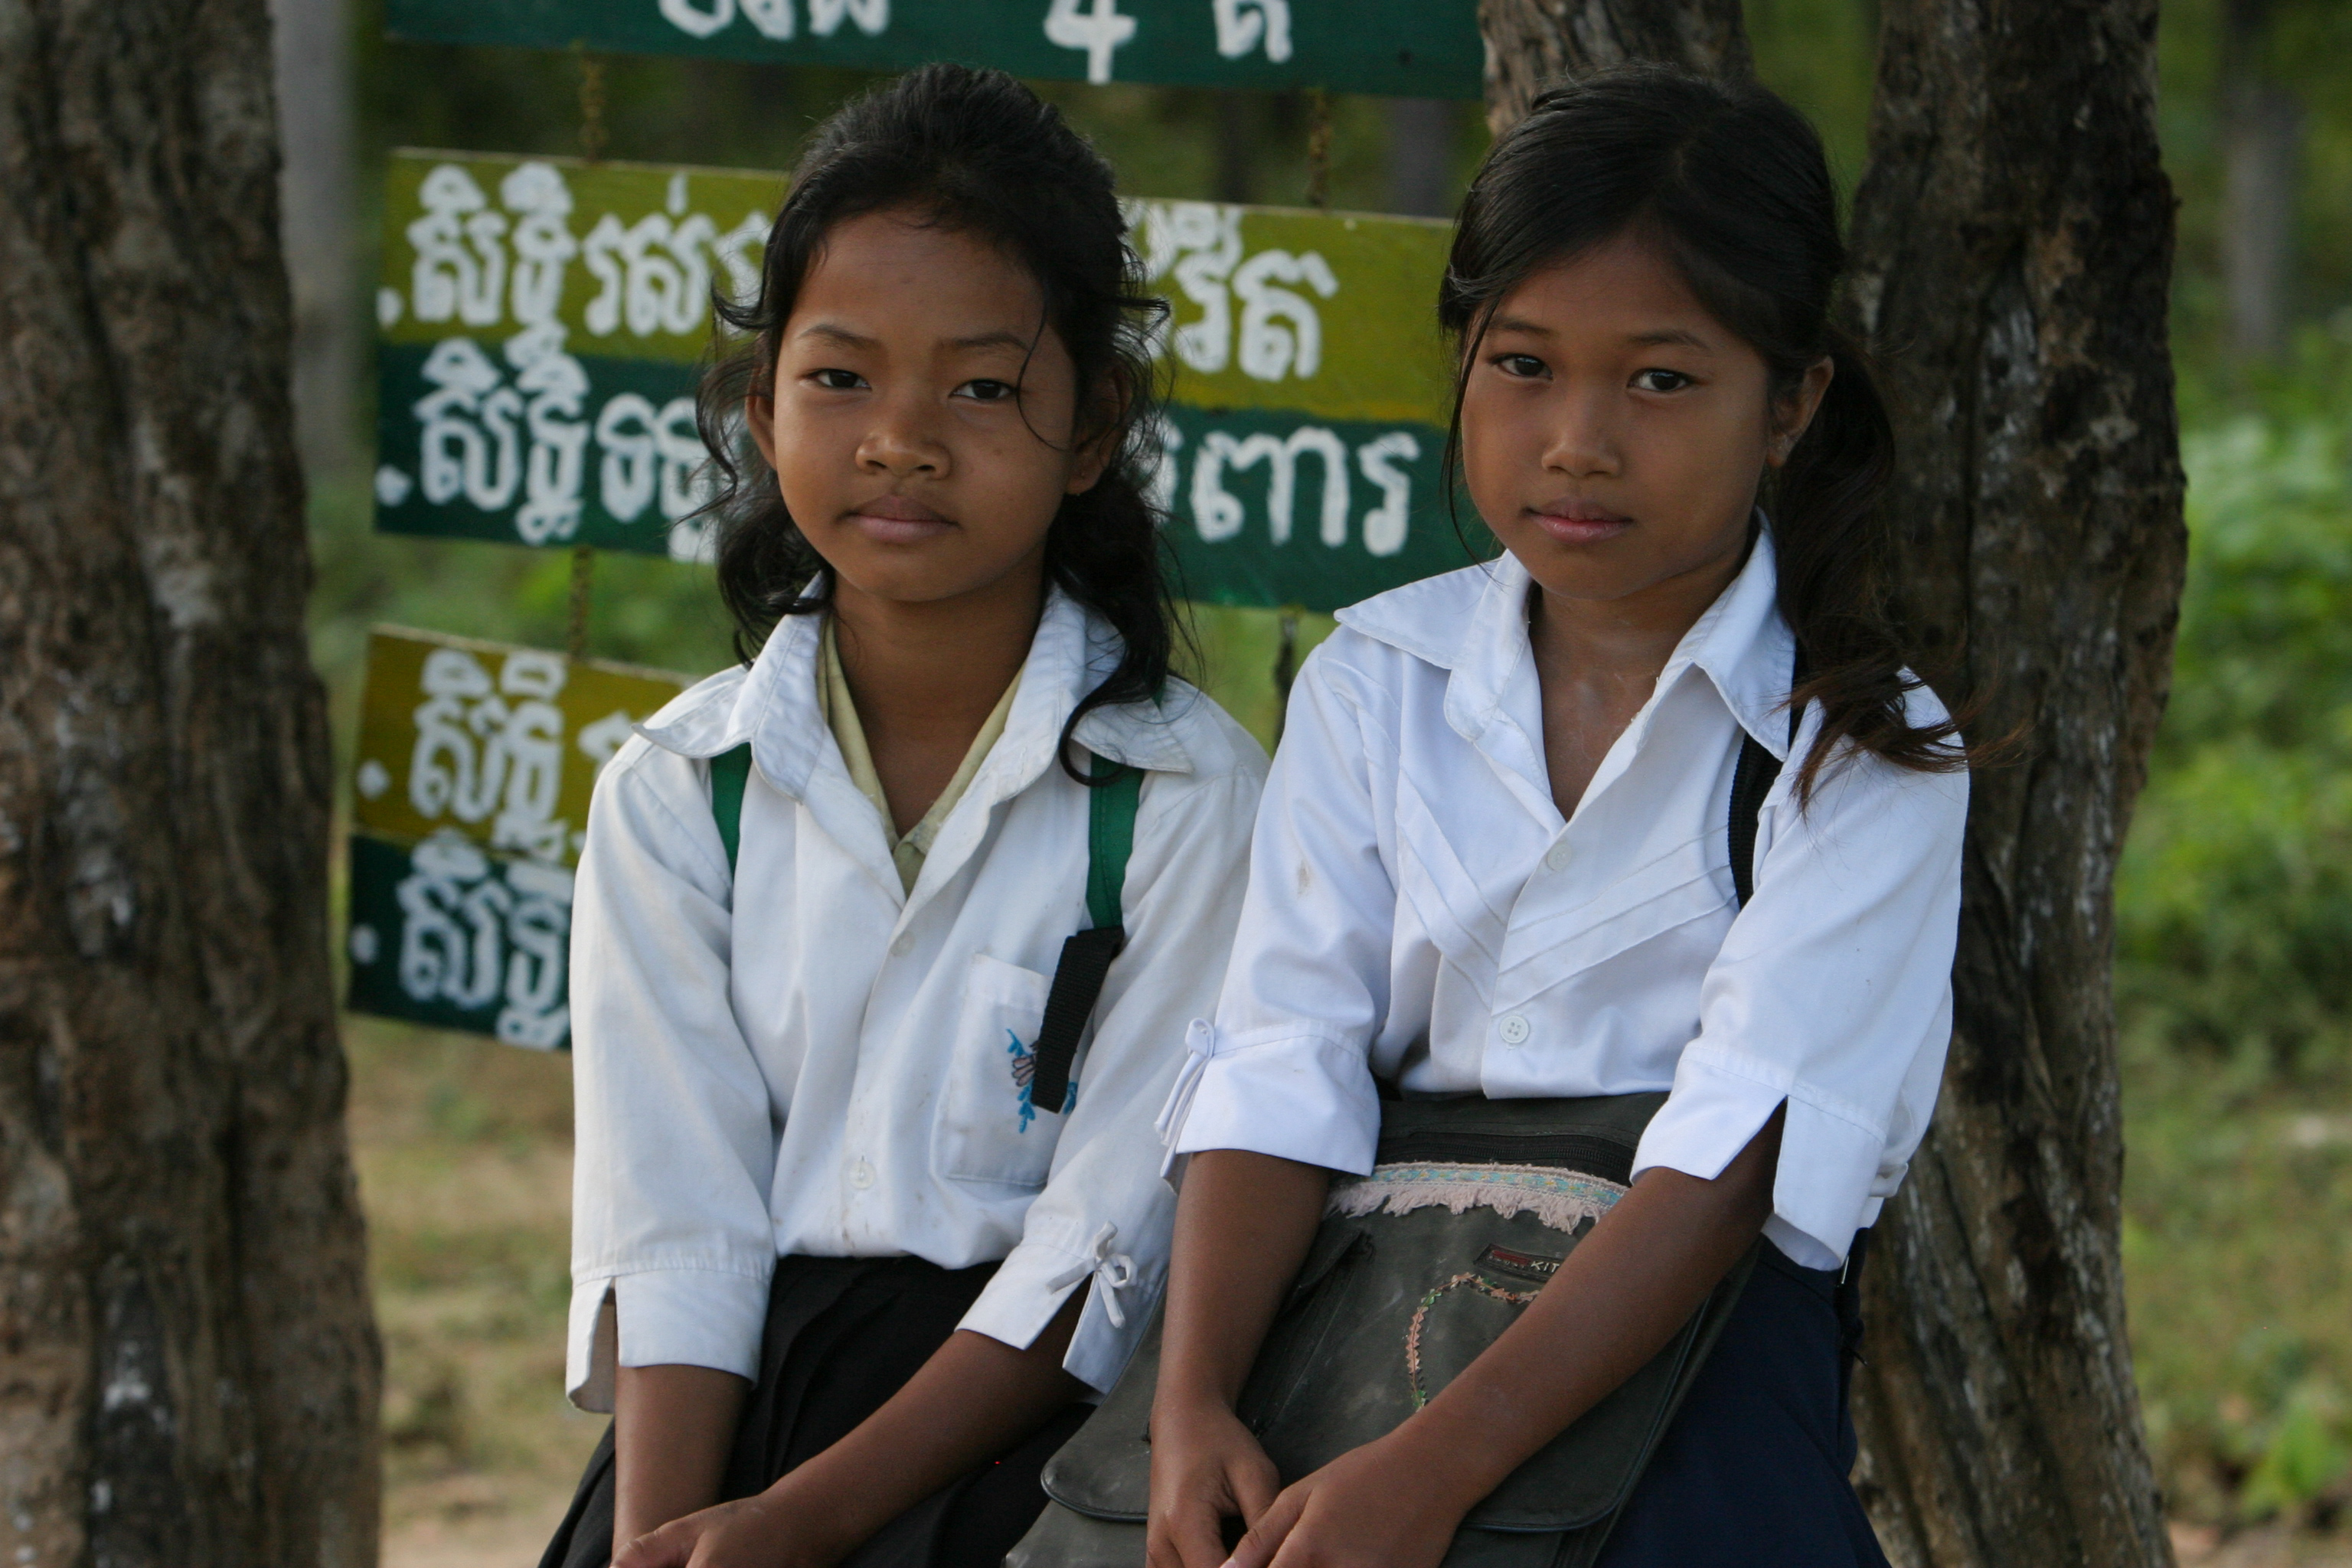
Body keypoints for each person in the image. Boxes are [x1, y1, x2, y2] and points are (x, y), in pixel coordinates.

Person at [1147, 64, 1971, 1568]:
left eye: (1661, 380)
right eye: (1523, 364)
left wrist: (1431, 1470)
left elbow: (1735, 1164)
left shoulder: (1856, 750)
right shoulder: (1374, 684)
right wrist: (1191, 1397)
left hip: (1683, 1355)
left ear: (1790, 403)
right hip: (1353, 1313)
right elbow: (1282, 1058)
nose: (1578, 439)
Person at [540, 64, 1266, 1568]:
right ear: (761, 405)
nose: (901, 439)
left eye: (982, 386)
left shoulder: (1183, 798)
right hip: (731, 1416)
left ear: (1090, 428)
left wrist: (801, 1528)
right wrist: (670, 1537)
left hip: (1030, 1432)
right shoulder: (683, 794)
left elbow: (1099, 1254)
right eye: (841, 376)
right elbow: (678, 1233)